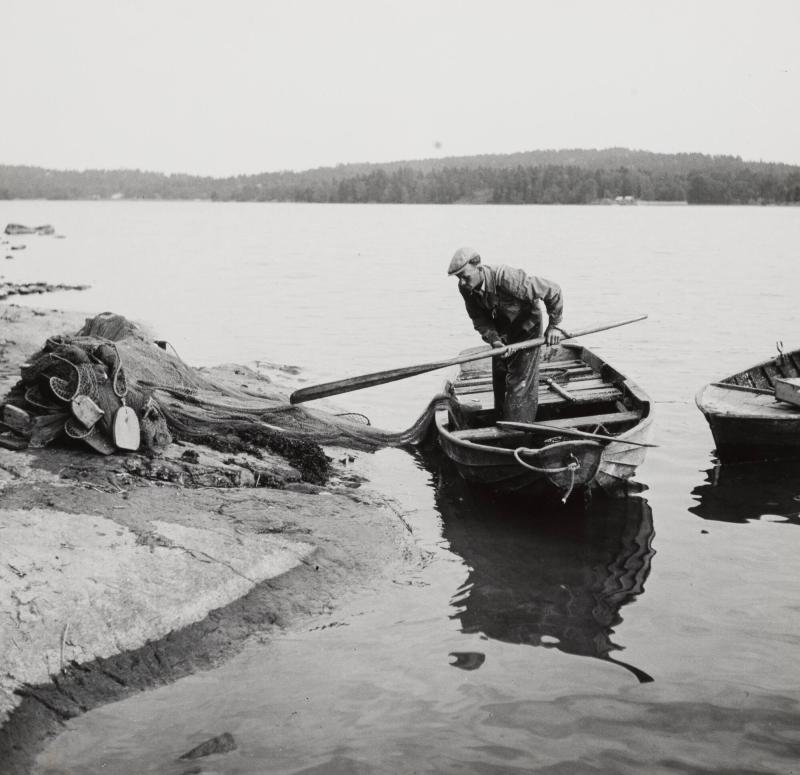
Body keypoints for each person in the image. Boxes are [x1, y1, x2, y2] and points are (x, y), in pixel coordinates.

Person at [448, 246, 565, 422]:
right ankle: (500, 421)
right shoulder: (466, 288)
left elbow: (553, 290)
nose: (463, 282)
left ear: (479, 268)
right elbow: (479, 319)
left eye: (465, 277)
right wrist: (494, 341)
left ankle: (518, 430)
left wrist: (554, 326)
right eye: (459, 278)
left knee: (519, 382)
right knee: (500, 375)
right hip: (502, 332)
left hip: (527, 329)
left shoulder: (507, 278)